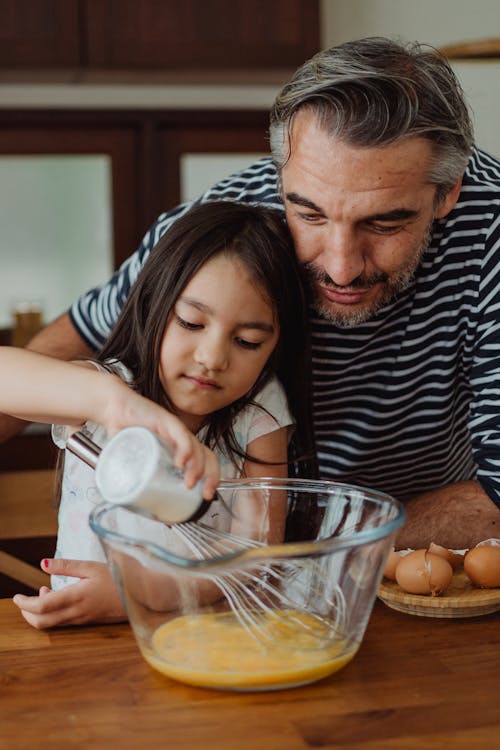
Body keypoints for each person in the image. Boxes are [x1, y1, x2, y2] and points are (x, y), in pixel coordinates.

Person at [1, 36, 499, 551]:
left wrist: (300, 557)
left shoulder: (493, 231)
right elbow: (75, 338)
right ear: (281, 174)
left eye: (383, 224)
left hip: (424, 547)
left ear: (448, 192)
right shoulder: (221, 229)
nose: (341, 267)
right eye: (309, 214)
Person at [0, 201, 314, 628]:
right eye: (190, 322)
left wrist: (144, 594)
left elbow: (254, 560)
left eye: (246, 342)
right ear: (154, 306)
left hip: (198, 633)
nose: (212, 358)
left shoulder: (259, 417)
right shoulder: (106, 390)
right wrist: (112, 403)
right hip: (84, 641)